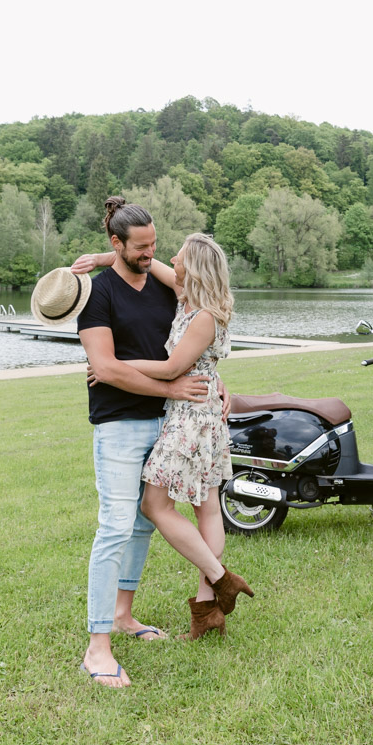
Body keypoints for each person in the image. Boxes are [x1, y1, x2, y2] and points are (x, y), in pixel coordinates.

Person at [70, 197, 219, 689]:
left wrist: (208, 385)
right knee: (114, 524)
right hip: (118, 424)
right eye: (141, 246)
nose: (151, 251)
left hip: (167, 423)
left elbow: (200, 333)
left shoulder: (162, 285)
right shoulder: (97, 294)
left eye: (155, 243)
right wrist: (171, 387)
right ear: (117, 244)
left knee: (140, 524)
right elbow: (106, 368)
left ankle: (122, 616)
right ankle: (97, 648)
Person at [127, 232, 253, 640]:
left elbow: (170, 369)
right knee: (208, 508)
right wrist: (101, 256)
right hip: (201, 410)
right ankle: (206, 613)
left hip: (192, 416)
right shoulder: (190, 297)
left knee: (155, 504)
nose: (170, 260)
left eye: (178, 257)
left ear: (193, 268)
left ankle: (220, 580)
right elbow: (160, 272)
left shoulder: (204, 317)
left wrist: (113, 363)